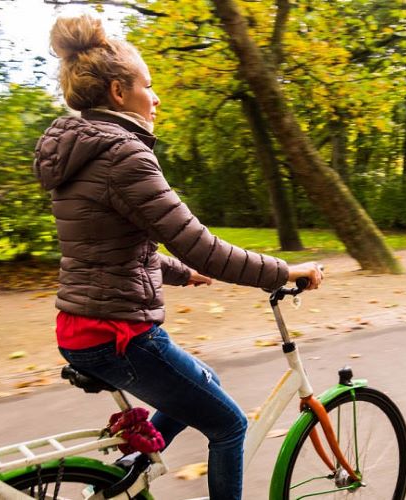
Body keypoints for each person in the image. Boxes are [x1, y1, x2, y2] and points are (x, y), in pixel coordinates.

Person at [35, 15, 324, 500]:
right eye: (148, 85)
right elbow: (202, 246)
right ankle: (130, 470)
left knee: (204, 382)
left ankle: (127, 472)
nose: (157, 96)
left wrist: (178, 272)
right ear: (118, 92)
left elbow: (108, 247)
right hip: (119, 335)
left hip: (84, 327)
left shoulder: (83, 151)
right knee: (229, 425)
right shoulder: (123, 154)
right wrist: (285, 270)